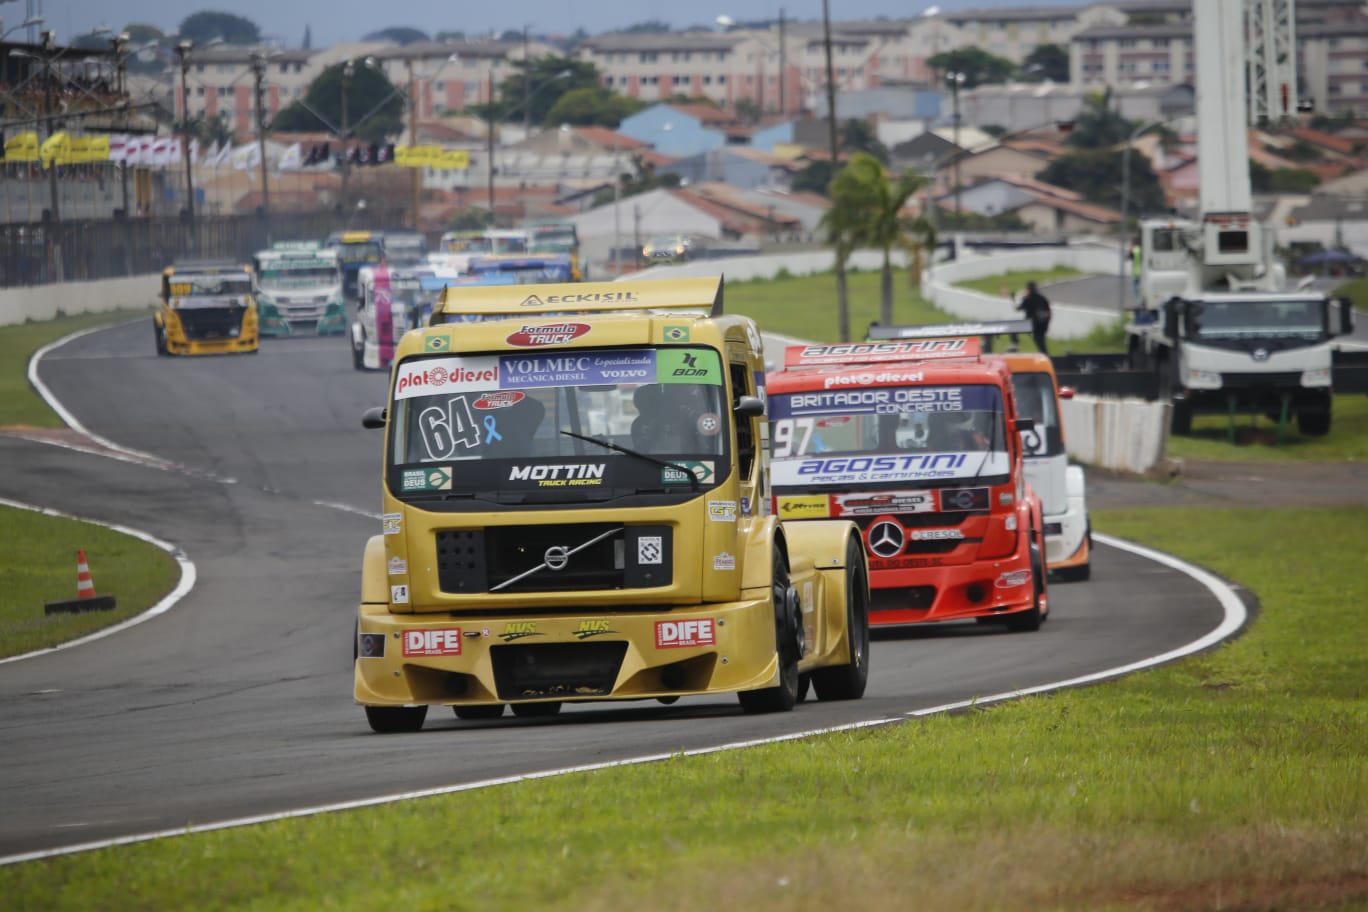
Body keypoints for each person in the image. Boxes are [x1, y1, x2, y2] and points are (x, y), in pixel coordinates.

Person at [1016, 280, 1052, 356]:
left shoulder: (1028, 299)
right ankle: (1045, 356)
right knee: (1041, 343)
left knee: (1040, 344)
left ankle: (1015, 343)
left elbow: (1017, 308)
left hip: (1033, 325)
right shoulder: (1042, 298)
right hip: (1043, 325)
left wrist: (1014, 300)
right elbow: (1049, 312)